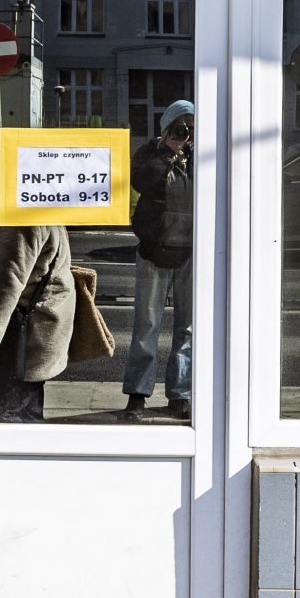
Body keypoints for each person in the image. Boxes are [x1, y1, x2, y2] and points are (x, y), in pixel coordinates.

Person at [0, 144, 74, 422]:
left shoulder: (22, 217)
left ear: (5, 174)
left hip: (18, 343)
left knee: (2, 422)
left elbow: (6, 285)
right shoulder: (39, 204)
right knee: (25, 420)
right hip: (30, 339)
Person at [122, 100, 194, 420]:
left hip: (191, 252)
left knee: (187, 328)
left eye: (192, 130)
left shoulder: (201, 157)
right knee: (147, 325)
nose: (186, 135)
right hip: (154, 250)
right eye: (181, 128)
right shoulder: (150, 154)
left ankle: (181, 394)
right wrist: (169, 153)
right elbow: (142, 182)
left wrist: (191, 153)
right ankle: (137, 394)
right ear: (166, 128)